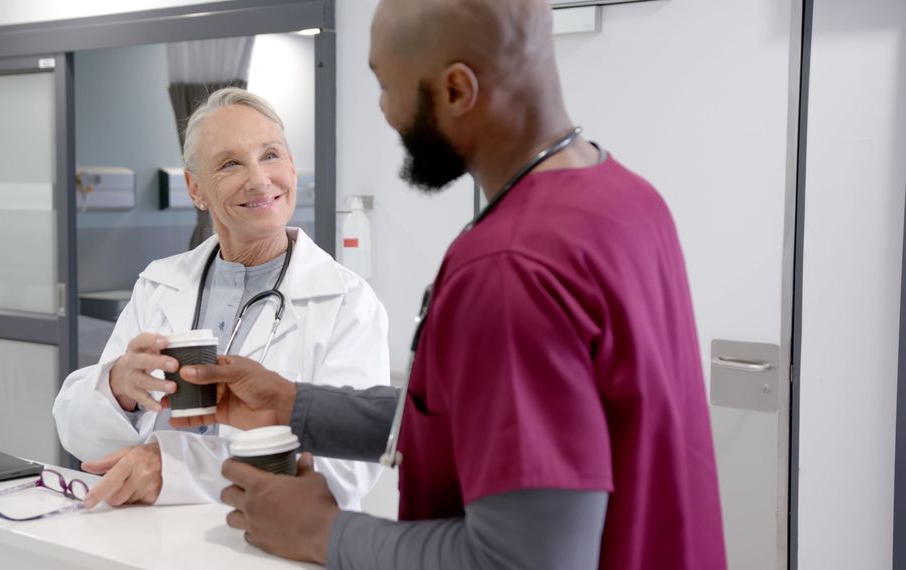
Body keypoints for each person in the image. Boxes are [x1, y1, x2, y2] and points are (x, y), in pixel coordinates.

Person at [178, 0, 729, 568]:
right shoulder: (627, 199)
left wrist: (322, 532)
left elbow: (523, 560)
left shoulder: (508, 267)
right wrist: (295, 406)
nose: (387, 114)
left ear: (457, 90)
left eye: (388, 86)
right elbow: (491, 415)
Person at [52, 88, 389, 510]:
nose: (259, 179)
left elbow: (344, 468)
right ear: (196, 188)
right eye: (230, 163)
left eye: (271, 155)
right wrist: (119, 386)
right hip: (148, 539)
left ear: (292, 167)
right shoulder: (160, 284)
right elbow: (77, 432)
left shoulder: (345, 302)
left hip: (273, 544)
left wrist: (175, 470)